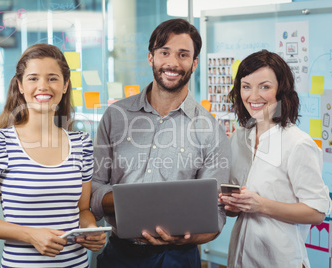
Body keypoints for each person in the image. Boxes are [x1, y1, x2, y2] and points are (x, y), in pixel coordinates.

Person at [91, 18, 231, 268]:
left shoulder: (210, 129)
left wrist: (185, 238)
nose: (173, 63)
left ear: (194, 63)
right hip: (119, 255)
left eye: (183, 54)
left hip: (179, 256)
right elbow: (93, 187)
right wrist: (130, 200)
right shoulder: (116, 116)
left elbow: (216, 214)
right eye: (164, 52)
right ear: (151, 57)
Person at [0, 43, 106, 268]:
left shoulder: (81, 143)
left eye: (52, 78)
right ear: (20, 86)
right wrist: (30, 235)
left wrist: (90, 229)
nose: (43, 86)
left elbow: (82, 210)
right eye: (33, 78)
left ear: (65, 85)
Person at [220, 50, 331, 268]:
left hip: (281, 261)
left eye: (265, 86)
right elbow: (236, 206)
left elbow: (317, 212)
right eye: (246, 86)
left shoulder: (297, 144)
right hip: (239, 259)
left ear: (281, 90)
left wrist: (260, 204)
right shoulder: (239, 138)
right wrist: (231, 205)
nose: (253, 96)